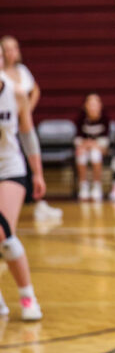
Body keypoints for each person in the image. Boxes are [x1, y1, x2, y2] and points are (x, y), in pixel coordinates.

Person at [0, 48, 45, 320]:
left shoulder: (15, 94)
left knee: (3, 232)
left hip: (10, 168)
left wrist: (37, 174)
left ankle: (27, 296)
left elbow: (28, 136)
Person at [1, 35, 61, 221]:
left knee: (4, 234)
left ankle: (38, 203)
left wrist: (26, 110)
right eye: (8, 49)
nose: (12, 53)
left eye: (14, 48)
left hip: (10, 152)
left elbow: (35, 91)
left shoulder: (19, 81)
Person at [74, 93, 110, 201]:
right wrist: (86, 145)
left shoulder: (105, 118)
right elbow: (77, 139)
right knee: (80, 155)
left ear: (100, 106)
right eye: (90, 104)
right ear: (85, 106)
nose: (93, 106)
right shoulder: (80, 118)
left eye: (95, 103)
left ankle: (97, 185)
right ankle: (83, 185)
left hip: (99, 148)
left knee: (95, 154)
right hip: (84, 147)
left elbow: (105, 140)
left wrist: (92, 144)